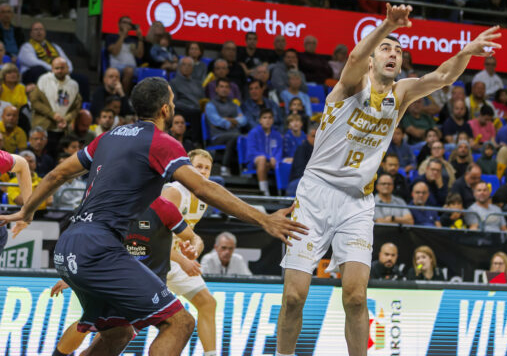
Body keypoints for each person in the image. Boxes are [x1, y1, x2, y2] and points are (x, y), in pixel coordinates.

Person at [0, 77, 306, 356]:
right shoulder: (161, 142)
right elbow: (202, 187)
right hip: (99, 248)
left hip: (68, 245)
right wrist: (263, 219)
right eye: (172, 101)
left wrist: (27, 210)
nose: (173, 106)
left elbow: (56, 175)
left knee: (118, 331)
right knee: (180, 322)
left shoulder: (107, 137)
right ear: (165, 109)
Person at [274, 4, 499, 356]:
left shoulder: (402, 93)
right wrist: (386, 26)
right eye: (385, 49)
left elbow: (443, 77)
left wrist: (466, 51)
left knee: (355, 296)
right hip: (316, 194)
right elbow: (353, 57)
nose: (393, 53)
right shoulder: (350, 86)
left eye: (398, 50)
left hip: (357, 202)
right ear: (371, 60)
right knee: (293, 296)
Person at [49, 195, 204, 356]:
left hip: (146, 285)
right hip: (116, 280)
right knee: (95, 326)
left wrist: (193, 250)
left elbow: (194, 238)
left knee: (115, 333)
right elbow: (90, 243)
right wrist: (76, 272)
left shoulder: (163, 207)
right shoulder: (110, 205)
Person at [161, 149, 220, 355]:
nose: (203, 172)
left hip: (175, 260)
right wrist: (182, 260)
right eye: (198, 167)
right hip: (152, 260)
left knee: (207, 303)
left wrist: (194, 249)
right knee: (121, 322)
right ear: (187, 168)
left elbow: (192, 236)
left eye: (207, 168)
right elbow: (152, 238)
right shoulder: (174, 192)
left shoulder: (203, 196)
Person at [29, 57, 81, 150]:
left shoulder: (74, 85)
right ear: (52, 69)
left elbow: (76, 108)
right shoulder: (44, 80)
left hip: (63, 130)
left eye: (62, 68)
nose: (60, 70)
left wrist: (66, 119)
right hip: (44, 128)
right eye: (57, 68)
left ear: (68, 68)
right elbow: (34, 101)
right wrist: (52, 115)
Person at [205, 78, 247, 177]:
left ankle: (243, 167)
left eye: (227, 87)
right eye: (221, 86)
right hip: (217, 137)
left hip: (234, 135)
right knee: (235, 136)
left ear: (229, 90)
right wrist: (233, 121)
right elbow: (217, 121)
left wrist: (227, 119)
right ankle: (225, 166)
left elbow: (244, 120)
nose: (224, 89)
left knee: (242, 136)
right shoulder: (210, 105)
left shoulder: (234, 105)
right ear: (216, 89)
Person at [170, 57, 205, 142]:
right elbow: (173, 102)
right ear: (179, 67)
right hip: (182, 109)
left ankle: (208, 141)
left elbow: (203, 99)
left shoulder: (198, 84)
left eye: (189, 65)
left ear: (192, 68)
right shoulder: (174, 82)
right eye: (184, 64)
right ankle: (195, 142)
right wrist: (190, 107)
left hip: (197, 109)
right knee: (195, 113)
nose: (186, 67)